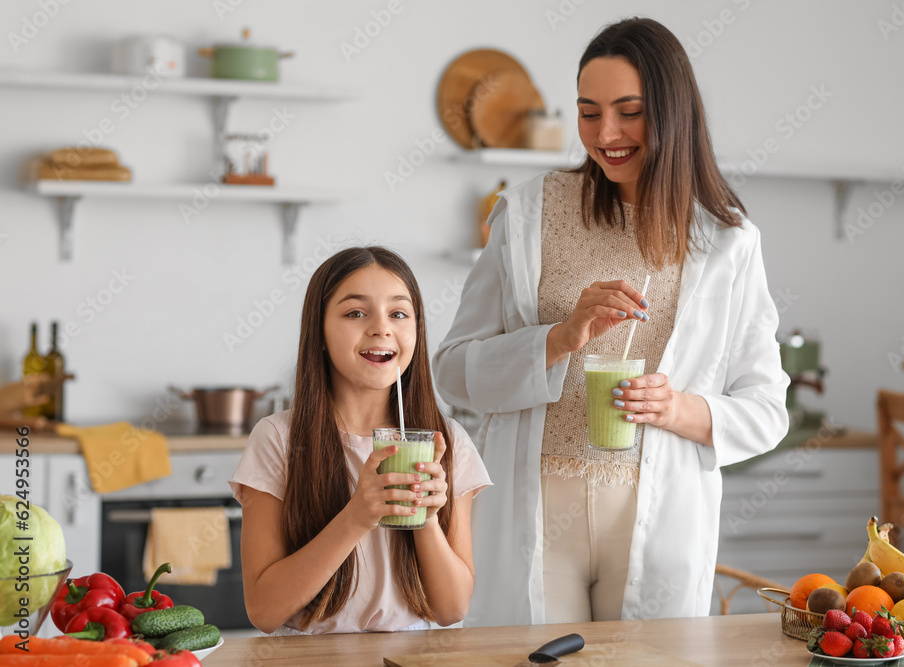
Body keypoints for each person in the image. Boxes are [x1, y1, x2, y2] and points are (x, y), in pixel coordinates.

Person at [433, 17, 789, 626]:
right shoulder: (526, 214)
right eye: (588, 112)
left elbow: (766, 411)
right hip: (536, 510)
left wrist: (676, 408)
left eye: (630, 111)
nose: (607, 134)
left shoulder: (728, 242)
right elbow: (453, 374)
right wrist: (556, 339)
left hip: (658, 512)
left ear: (674, 113)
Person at [229, 246, 491, 634]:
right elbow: (264, 612)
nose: (381, 328)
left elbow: (451, 609)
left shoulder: (446, 441)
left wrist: (426, 519)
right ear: (318, 331)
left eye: (399, 313)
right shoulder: (278, 439)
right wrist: (356, 516)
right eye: (355, 313)